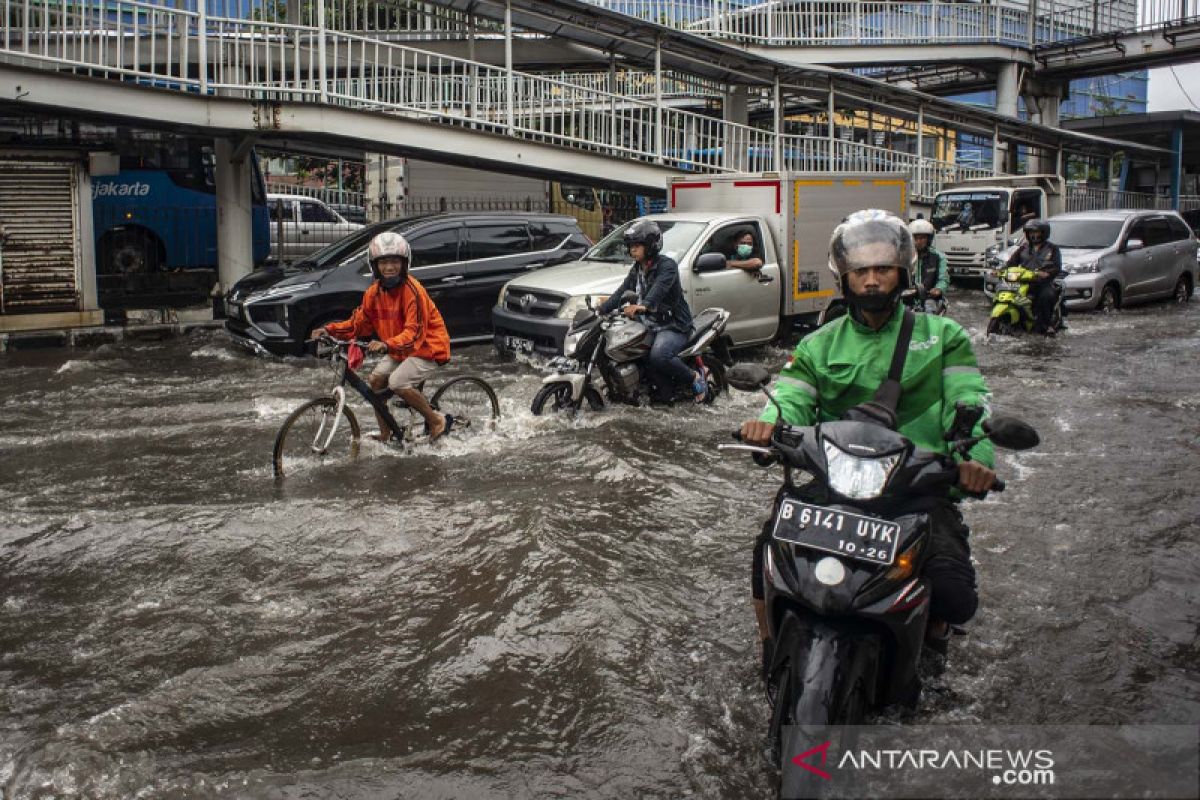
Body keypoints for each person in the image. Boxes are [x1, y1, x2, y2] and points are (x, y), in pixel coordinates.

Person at [739, 209, 996, 663]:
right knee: (766, 559)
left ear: (902, 272)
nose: (872, 280)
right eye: (861, 271)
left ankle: (931, 645)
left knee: (955, 596)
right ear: (845, 277)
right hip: (835, 482)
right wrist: (767, 426)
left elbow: (968, 402)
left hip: (915, 487)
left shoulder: (943, 337)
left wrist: (975, 460)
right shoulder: (820, 343)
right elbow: (791, 398)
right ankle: (768, 650)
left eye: (882, 269)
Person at [310, 231, 452, 442]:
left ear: (404, 264)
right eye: (383, 262)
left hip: (427, 348)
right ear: (374, 265)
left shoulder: (414, 291)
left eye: (395, 261)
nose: (389, 267)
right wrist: (330, 330)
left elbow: (414, 334)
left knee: (396, 383)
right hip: (398, 349)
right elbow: (358, 324)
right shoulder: (373, 293)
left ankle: (436, 421)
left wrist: (386, 344)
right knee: (375, 381)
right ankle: (386, 432)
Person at [599, 219, 705, 404]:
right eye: (630, 245)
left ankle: (692, 377)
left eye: (637, 245)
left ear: (651, 245)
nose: (633, 249)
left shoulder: (667, 266)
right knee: (629, 351)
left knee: (658, 356)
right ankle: (654, 392)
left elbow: (659, 289)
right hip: (648, 323)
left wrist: (644, 305)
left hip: (673, 325)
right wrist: (602, 308)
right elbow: (622, 291)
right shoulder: (637, 269)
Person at [1005, 218, 1062, 336]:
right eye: (1031, 232)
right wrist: (999, 271)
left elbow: (1057, 267)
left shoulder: (1052, 249)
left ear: (1043, 233)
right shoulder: (1023, 248)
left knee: (1045, 297)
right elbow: (1011, 263)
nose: (1033, 235)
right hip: (1023, 283)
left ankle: (1046, 325)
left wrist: (1047, 273)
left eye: (1036, 232)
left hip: (1043, 284)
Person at [908, 218, 949, 312]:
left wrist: (939, 289)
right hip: (908, 298)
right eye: (915, 238)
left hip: (930, 298)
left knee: (929, 311)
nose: (918, 241)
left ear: (928, 239)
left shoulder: (938, 257)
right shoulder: (905, 257)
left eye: (922, 238)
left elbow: (944, 279)